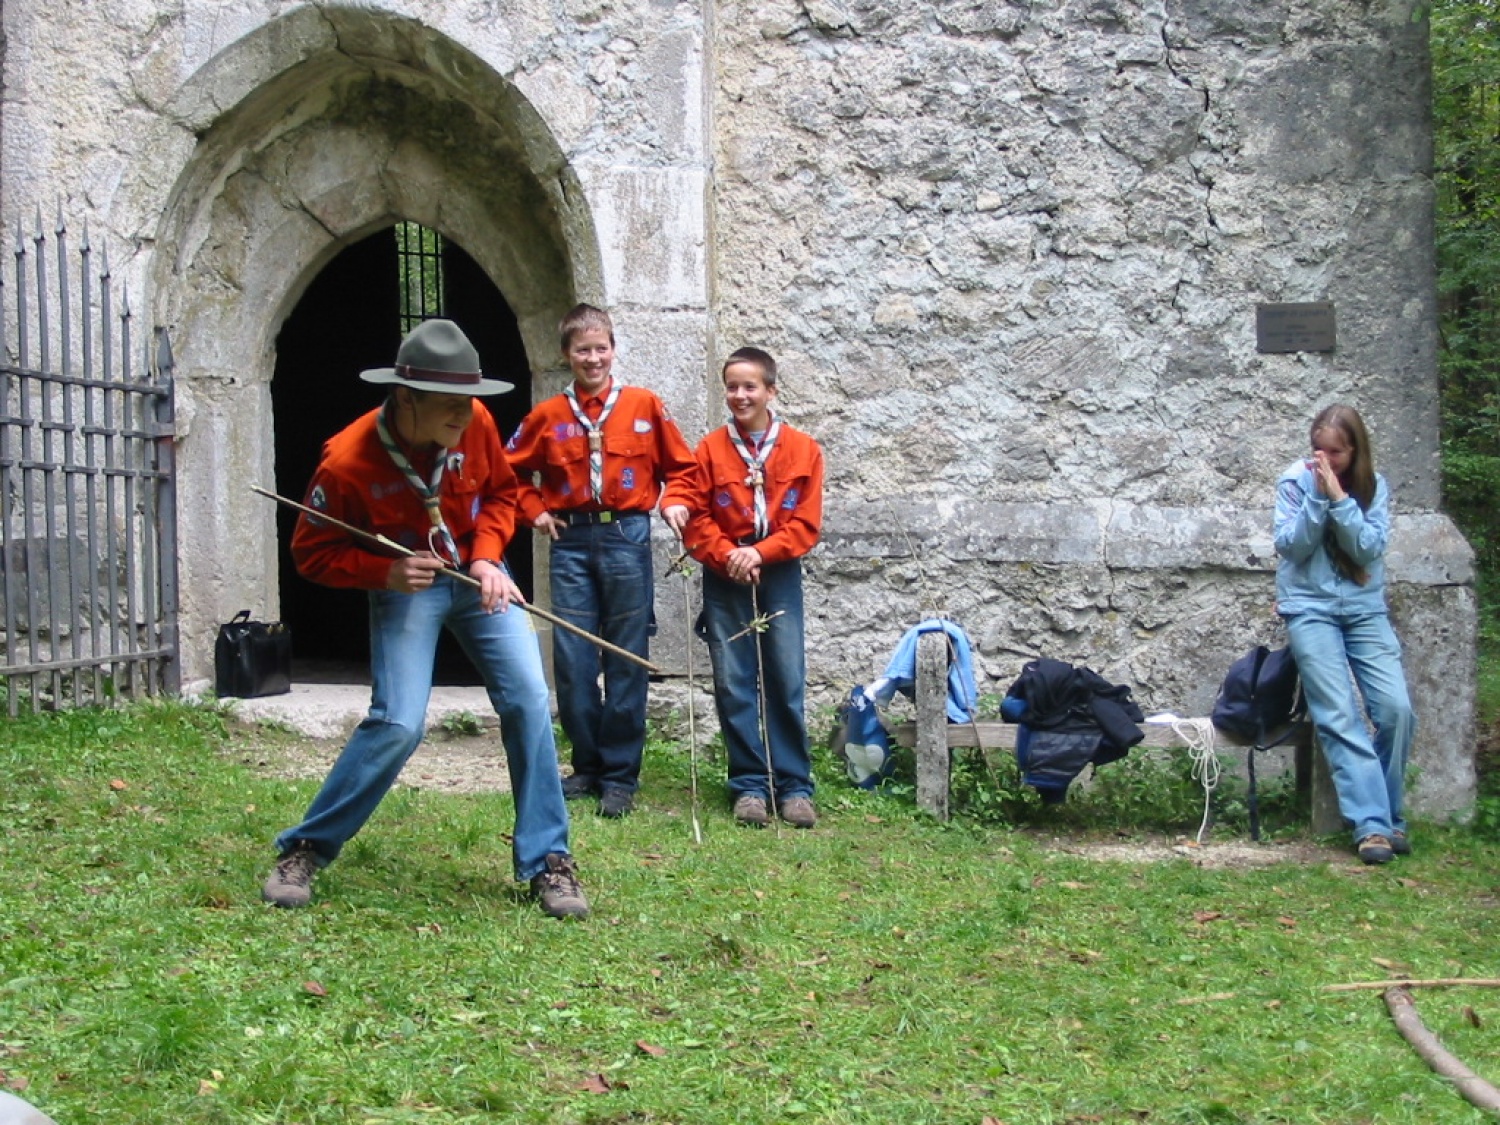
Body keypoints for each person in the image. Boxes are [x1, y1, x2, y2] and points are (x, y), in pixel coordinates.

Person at [261, 318, 588, 919]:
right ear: (406, 398)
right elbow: (311, 555)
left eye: (469, 404)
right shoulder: (346, 461)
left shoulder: (476, 421)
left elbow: (501, 493)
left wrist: (490, 555)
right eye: (450, 408)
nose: (464, 419)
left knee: (528, 699)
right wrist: (381, 572)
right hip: (407, 585)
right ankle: (305, 847)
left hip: (478, 576)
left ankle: (548, 861)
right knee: (399, 722)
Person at [505, 304, 696, 818]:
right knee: (572, 659)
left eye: (601, 348)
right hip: (570, 542)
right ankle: (587, 766)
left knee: (625, 658)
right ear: (567, 355)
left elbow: (683, 468)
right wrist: (535, 512)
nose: (593, 358)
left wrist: (674, 500)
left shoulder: (644, 405)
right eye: (582, 350)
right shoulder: (547, 416)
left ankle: (620, 777)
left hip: (627, 538)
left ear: (614, 349)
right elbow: (509, 474)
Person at [666, 347, 825, 828]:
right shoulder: (710, 449)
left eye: (749, 386)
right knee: (733, 682)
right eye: (732, 386)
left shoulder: (804, 450)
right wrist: (727, 554)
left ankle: (794, 785)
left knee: (785, 678)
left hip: (778, 574)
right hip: (725, 575)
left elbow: (805, 524)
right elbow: (693, 508)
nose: (740, 395)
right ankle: (749, 786)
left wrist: (761, 552)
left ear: (770, 391)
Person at [1273, 403, 1417, 865]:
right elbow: (1292, 547)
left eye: (1336, 453)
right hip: (1310, 609)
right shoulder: (1295, 480)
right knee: (1339, 714)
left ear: (1355, 452)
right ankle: (1371, 825)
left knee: (1396, 709)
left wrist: (1340, 500)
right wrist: (1317, 497)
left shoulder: (1374, 488)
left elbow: (1368, 547)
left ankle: (1390, 814)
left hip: (1363, 611)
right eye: (1319, 449)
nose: (1325, 460)